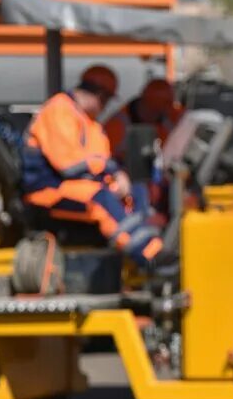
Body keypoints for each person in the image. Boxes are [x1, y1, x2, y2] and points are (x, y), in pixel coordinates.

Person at [21, 64, 168, 268]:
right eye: (106, 99)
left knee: (135, 191)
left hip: (77, 186)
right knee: (101, 199)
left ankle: (154, 247)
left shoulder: (91, 123)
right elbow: (68, 165)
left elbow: (100, 161)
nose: (106, 106)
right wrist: (111, 171)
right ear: (99, 94)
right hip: (49, 190)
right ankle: (149, 257)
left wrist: (117, 178)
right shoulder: (59, 109)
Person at [104, 78, 181, 163]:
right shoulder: (116, 126)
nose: (168, 111)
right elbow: (105, 160)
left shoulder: (171, 118)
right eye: (154, 110)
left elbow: (190, 118)